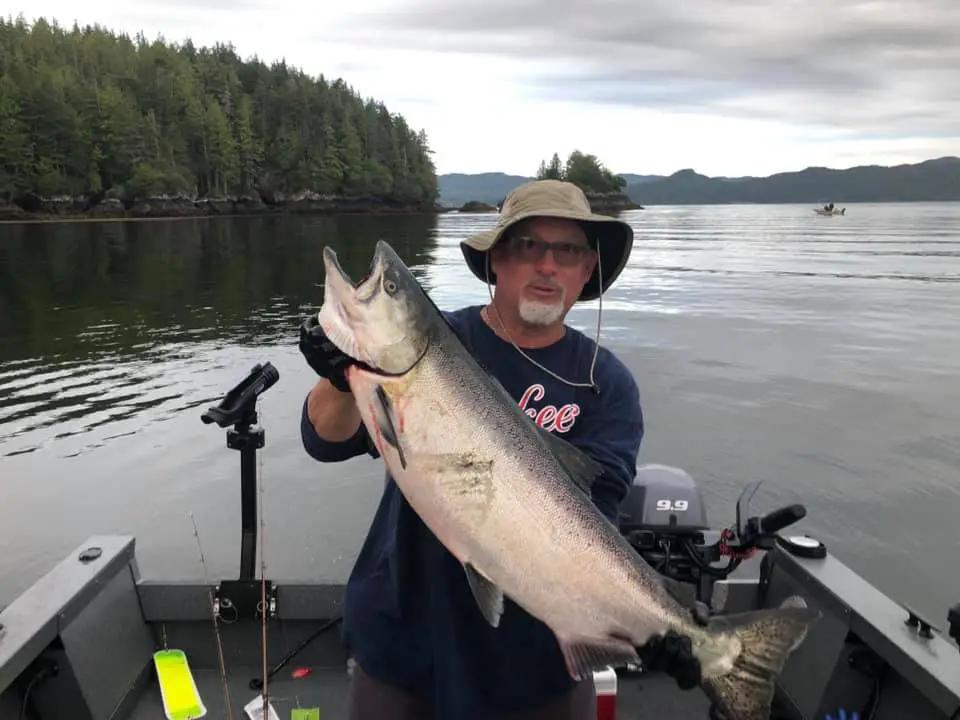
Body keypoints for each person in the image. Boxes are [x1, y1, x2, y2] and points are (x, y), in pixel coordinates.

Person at [298, 179, 704, 720]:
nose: (546, 266)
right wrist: (340, 375)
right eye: (527, 246)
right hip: (406, 645)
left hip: (536, 666)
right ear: (496, 263)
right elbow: (323, 440)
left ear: (588, 271)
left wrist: (655, 617)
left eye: (567, 251)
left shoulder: (607, 384)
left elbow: (593, 519)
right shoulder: (442, 344)